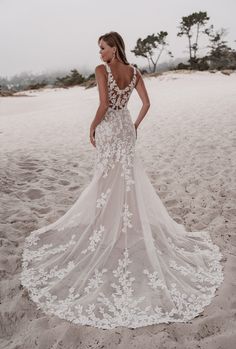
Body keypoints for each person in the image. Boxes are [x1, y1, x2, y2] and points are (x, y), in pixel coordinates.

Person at [20, 31, 224, 330]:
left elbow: (103, 105)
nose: (99, 53)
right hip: (126, 128)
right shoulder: (136, 71)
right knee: (126, 179)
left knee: (106, 180)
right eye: (99, 49)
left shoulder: (102, 70)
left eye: (102, 48)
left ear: (114, 48)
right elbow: (146, 104)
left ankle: (109, 229)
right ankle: (120, 227)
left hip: (109, 128)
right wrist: (135, 125)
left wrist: (91, 128)